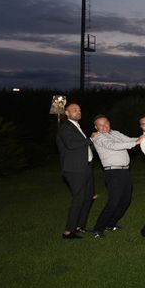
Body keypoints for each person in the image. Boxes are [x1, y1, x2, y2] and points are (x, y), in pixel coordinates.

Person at [91, 115, 144, 238]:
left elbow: (128, 139)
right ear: (96, 127)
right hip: (113, 173)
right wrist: (136, 143)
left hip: (125, 171)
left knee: (126, 200)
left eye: (106, 123)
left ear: (109, 123)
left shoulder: (115, 133)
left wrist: (143, 138)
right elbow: (113, 146)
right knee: (113, 202)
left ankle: (111, 223)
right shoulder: (98, 137)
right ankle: (98, 229)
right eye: (100, 125)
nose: (104, 126)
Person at [56, 102, 95, 239]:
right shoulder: (65, 127)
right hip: (74, 169)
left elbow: (83, 146)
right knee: (78, 199)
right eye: (74, 110)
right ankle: (68, 231)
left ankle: (79, 226)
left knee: (88, 197)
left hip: (85, 167)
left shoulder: (77, 126)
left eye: (79, 109)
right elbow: (71, 145)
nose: (78, 111)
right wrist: (90, 139)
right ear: (66, 113)